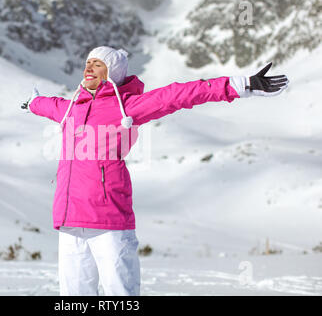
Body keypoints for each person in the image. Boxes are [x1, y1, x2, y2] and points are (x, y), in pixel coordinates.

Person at [22, 46, 289, 295]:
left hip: (109, 221)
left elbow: (178, 95)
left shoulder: (125, 106)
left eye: (97, 63)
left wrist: (238, 84)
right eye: (88, 62)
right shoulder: (71, 109)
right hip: (69, 222)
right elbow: (45, 104)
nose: (89, 67)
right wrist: (32, 102)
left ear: (112, 73)